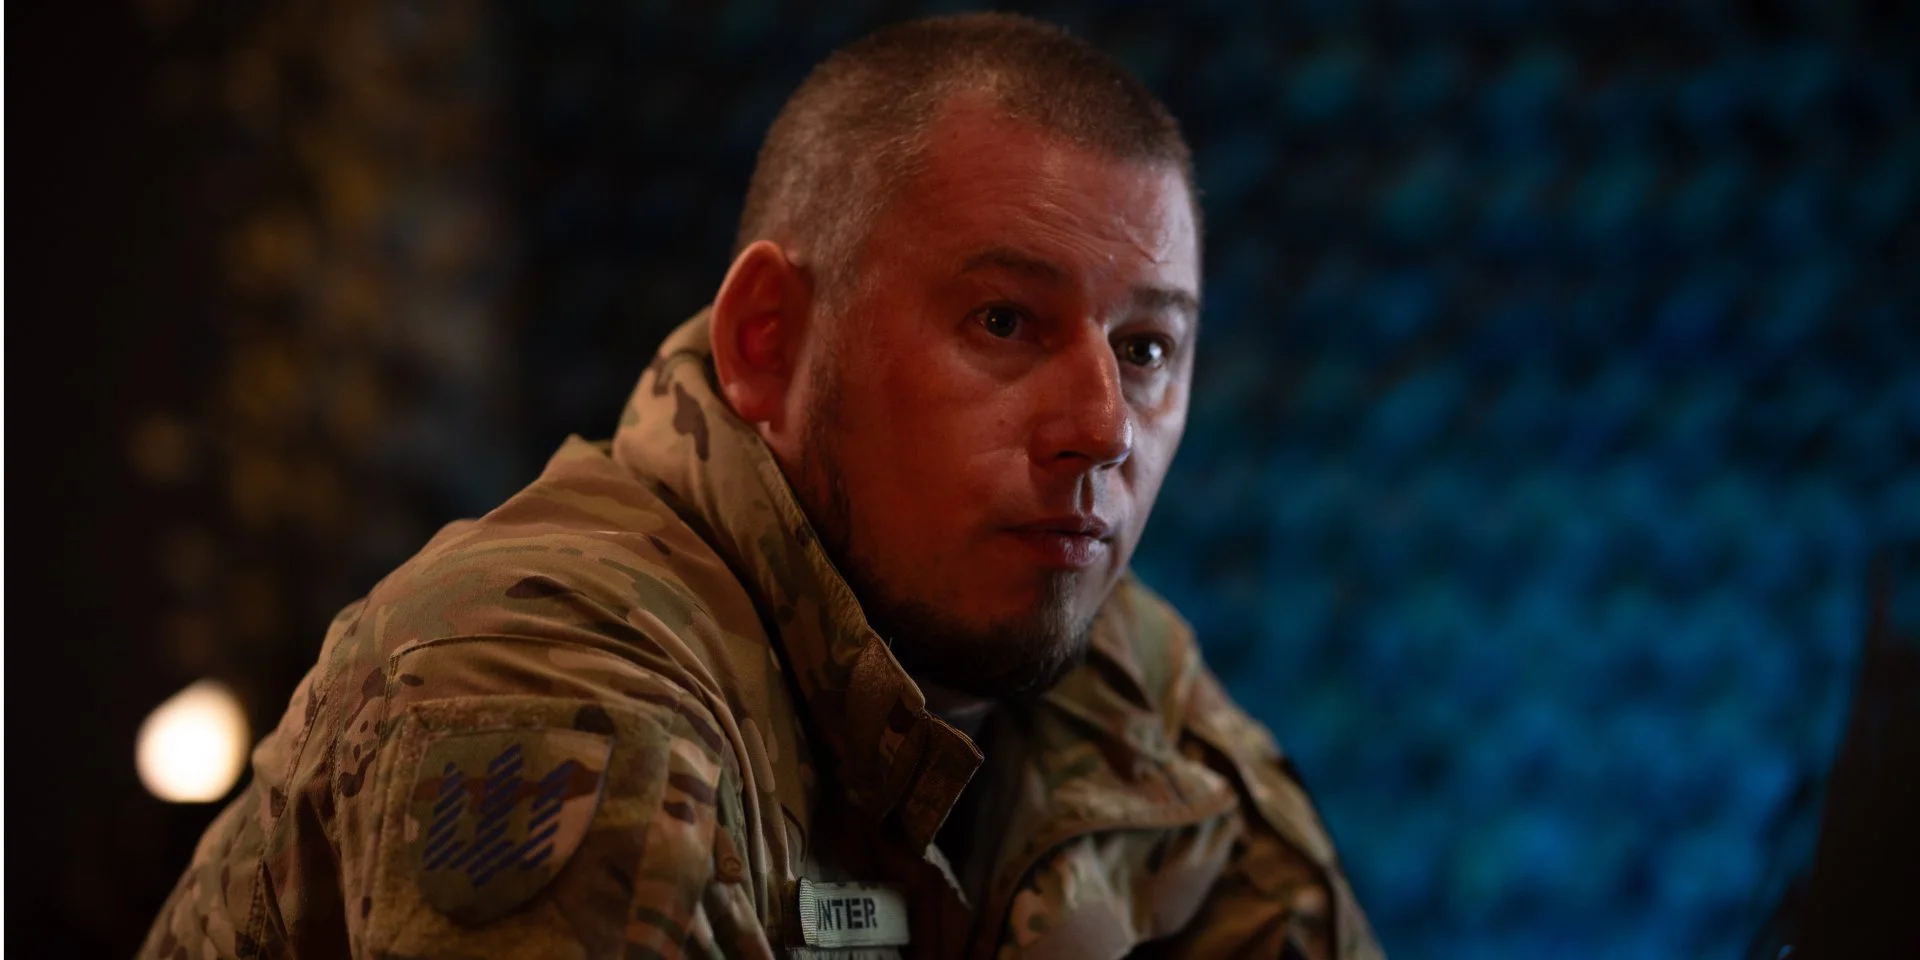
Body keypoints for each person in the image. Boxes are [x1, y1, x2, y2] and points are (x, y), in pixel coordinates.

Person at [140, 13, 1381, 959]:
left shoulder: (1122, 678)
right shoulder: (544, 682)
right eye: (1004, 321)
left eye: (1146, 348)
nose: (1102, 429)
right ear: (769, 341)